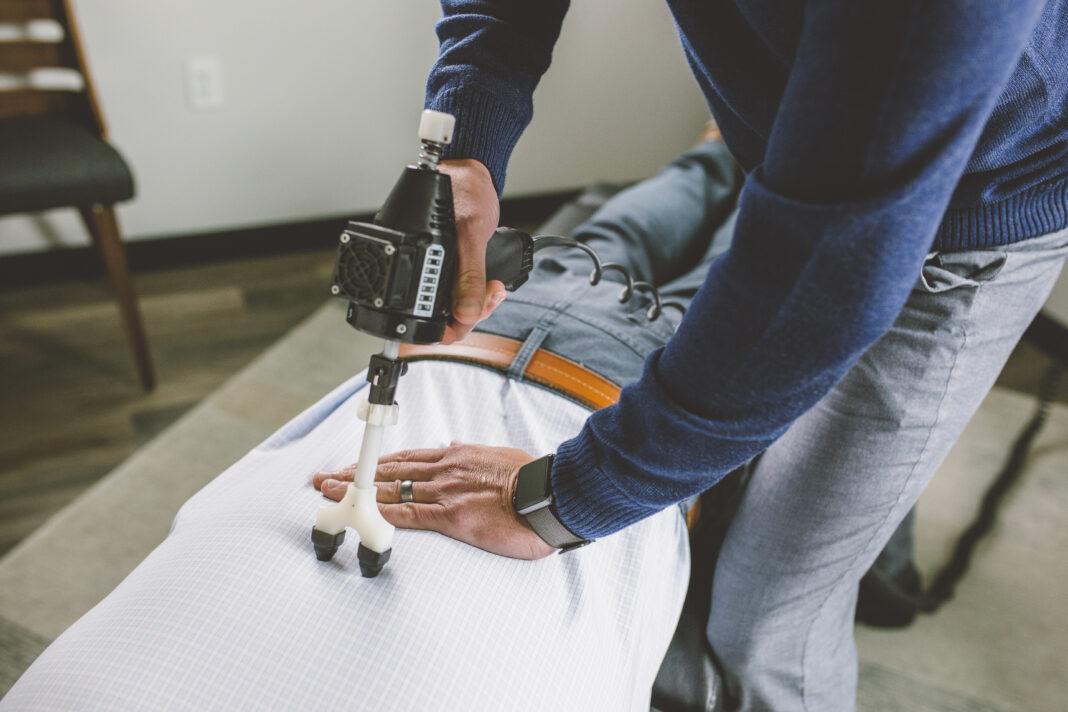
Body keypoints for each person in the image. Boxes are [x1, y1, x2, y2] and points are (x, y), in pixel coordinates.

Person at [373, 3, 1068, 711]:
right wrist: (467, 138)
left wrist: (566, 500)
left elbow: (824, 270)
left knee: (761, 624)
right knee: (703, 216)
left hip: (964, 210)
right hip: (803, 157)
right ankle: (730, 159)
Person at [0, 140, 740, 711]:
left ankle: (720, 147)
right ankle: (753, 157)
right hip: (626, 392)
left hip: (480, 331)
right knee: (744, 249)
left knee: (627, 228)